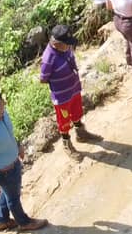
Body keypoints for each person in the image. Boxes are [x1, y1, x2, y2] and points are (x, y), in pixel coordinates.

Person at [0, 90, 44, 234]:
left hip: (12, 165)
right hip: (4, 172)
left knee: (7, 194)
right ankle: (24, 222)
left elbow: (9, 133)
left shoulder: (3, 115)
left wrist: (18, 146)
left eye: (0, 105)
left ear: (4, 103)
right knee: (13, 198)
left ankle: (3, 221)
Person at [38, 23, 100, 157]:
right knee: (64, 122)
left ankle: (81, 134)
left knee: (77, 112)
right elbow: (43, 78)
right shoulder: (49, 59)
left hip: (73, 89)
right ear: (56, 43)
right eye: (66, 44)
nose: (69, 46)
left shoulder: (65, 49)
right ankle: (67, 144)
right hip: (61, 97)